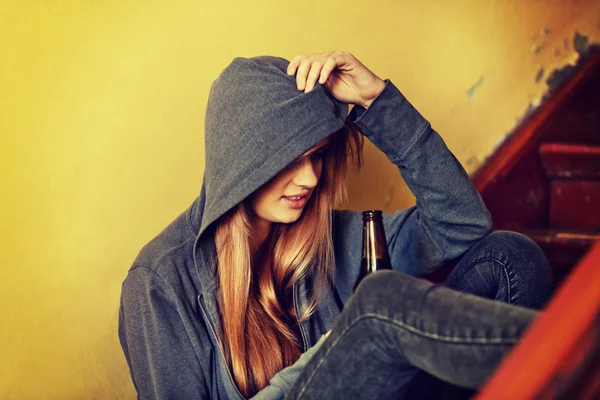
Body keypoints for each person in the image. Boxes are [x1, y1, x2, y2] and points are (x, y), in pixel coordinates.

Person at [118, 51, 554, 400]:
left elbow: (463, 224)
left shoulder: (333, 235)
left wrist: (378, 102)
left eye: (317, 155)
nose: (309, 178)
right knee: (378, 300)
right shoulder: (159, 283)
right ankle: (574, 356)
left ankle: (563, 356)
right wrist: (334, 350)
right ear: (241, 161)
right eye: (289, 159)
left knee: (510, 256)